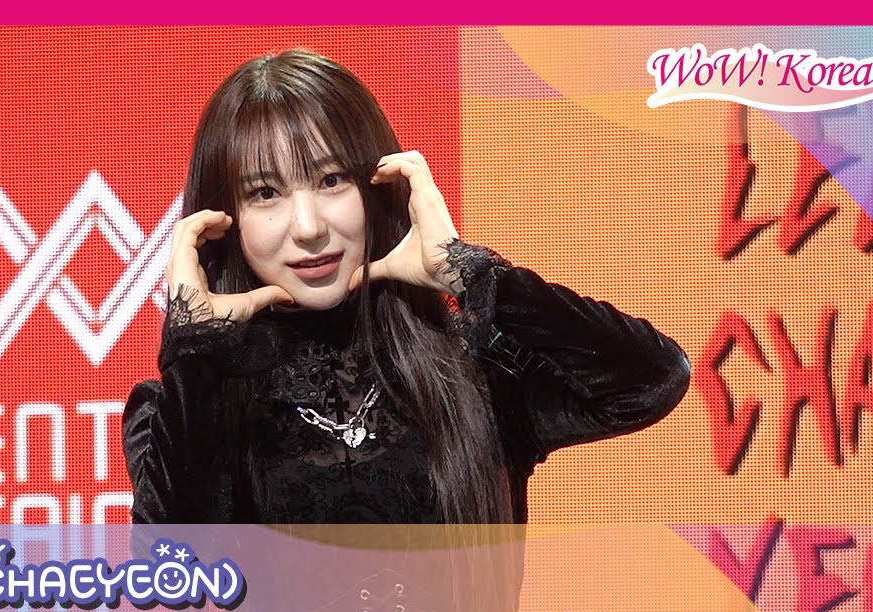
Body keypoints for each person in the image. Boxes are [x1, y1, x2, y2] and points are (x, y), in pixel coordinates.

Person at [122, 49, 691, 525]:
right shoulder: (182, 407)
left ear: (377, 184)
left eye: (331, 179)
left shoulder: (476, 369)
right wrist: (196, 349)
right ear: (223, 219)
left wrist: (468, 273)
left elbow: (652, 379)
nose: (309, 227)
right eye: (265, 193)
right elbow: (175, 566)